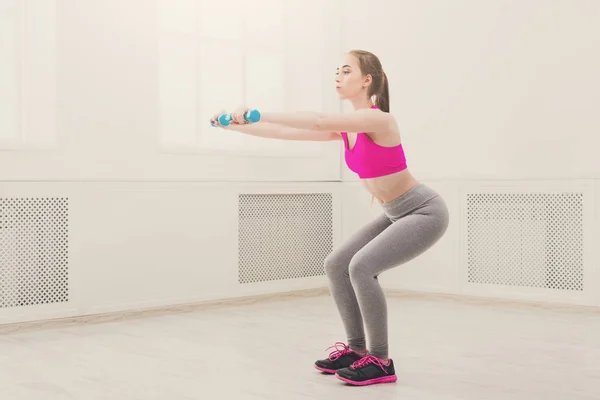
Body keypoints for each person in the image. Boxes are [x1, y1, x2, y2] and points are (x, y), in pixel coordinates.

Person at [211, 49, 449, 386]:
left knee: (362, 267)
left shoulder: (379, 120)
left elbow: (318, 120)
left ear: (367, 80)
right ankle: (355, 350)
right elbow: (288, 134)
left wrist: (258, 111)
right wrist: (240, 127)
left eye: (347, 71)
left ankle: (380, 360)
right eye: (337, 70)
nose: (338, 76)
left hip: (423, 211)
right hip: (396, 213)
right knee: (337, 264)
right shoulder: (347, 129)